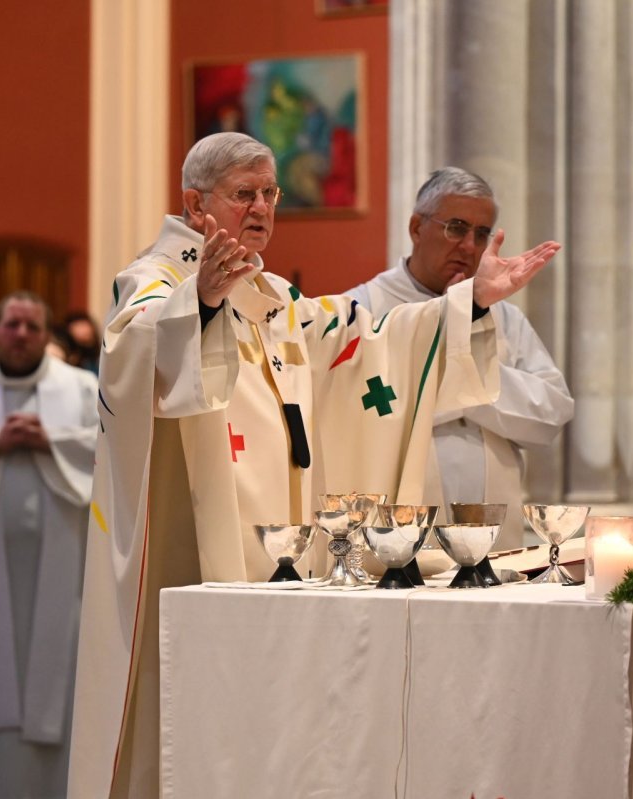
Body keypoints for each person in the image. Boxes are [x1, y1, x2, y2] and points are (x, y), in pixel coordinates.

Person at [68, 132, 560, 797]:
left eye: (270, 193)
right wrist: (202, 301)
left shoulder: (272, 296)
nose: (262, 208)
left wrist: (465, 305)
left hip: (281, 561)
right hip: (191, 552)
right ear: (194, 201)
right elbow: (136, 361)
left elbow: (361, 340)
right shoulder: (157, 280)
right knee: (191, 729)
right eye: (244, 193)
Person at [347, 167, 573, 545]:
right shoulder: (361, 310)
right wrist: (472, 382)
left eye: (482, 234)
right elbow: (356, 412)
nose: (470, 246)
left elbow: (551, 416)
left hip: (497, 537)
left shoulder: (504, 318)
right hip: (399, 537)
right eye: (456, 227)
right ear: (417, 228)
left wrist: (459, 383)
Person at [0, 291, 98, 799]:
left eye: (32, 327)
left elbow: (112, 449)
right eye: (12, 325)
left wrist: (53, 439)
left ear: (46, 333)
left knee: (59, 683)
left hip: (62, 578)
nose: (22, 335)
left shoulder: (82, 389)